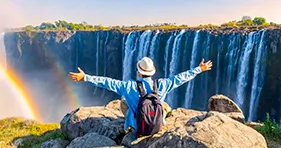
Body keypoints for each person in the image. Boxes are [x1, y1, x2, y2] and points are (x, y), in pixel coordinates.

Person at [69, 57, 212, 136]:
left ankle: (131, 128)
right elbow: (180, 78)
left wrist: (85, 77)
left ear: (139, 72)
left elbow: (107, 82)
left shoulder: (128, 87)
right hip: (158, 124)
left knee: (129, 107)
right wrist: (199, 69)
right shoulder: (162, 84)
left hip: (138, 127)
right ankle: (158, 124)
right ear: (153, 72)